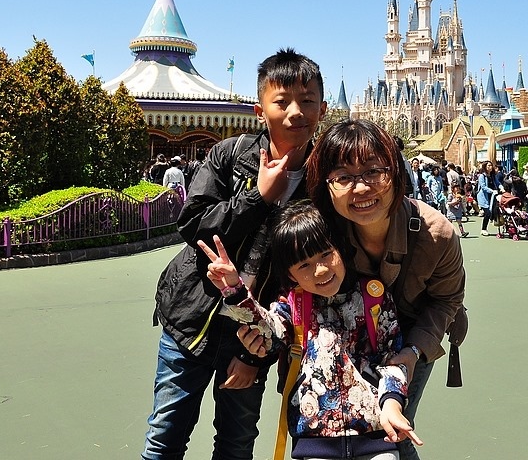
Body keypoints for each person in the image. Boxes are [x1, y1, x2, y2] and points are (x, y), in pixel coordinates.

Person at [141, 48, 326, 460]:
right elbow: (193, 225)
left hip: (254, 336)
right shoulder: (231, 155)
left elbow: (306, 277)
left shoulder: (322, 182)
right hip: (191, 322)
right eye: (282, 101)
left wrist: (253, 354)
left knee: (236, 445)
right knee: (165, 437)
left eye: (307, 100)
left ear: (322, 109)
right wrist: (257, 196)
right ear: (260, 111)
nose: (296, 112)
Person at [200, 201, 422, 459]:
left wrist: (392, 403)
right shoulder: (293, 306)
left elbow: (392, 360)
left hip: (376, 438)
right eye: (304, 265)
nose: (321, 269)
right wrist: (235, 290)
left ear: (341, 248)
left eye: (326, 254)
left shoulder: (374, 298)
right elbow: (268, 332)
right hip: (315, 444)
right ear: (290, 275)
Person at [305, 119, 466, 460]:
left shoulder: (436, 234)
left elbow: (446, 299)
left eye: (374, 172)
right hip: (347, 339)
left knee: (396, 432)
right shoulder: (320, 232)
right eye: (343, 177)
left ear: (396, 175)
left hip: (412, 335)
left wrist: (413, 352)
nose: (361, 188)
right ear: (326, 185)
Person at [476, 161, 497, 236]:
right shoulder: (482, 176)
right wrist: (492, 191)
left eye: (491, 165)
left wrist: (501, 187)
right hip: (483, 197)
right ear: (485, 167)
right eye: (488, 165)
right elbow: (483, 187)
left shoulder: (493, 176)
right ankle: (483, 229)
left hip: (492, 197)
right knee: (487, 213)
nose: (490, 167)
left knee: (494, 211)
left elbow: (498, 183)